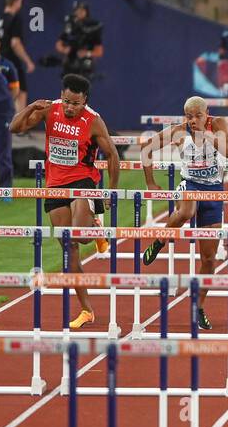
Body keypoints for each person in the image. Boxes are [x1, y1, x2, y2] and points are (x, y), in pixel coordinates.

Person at [9, 74, 155, 329]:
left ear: (84, 100)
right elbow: (15, 127)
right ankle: (87, 310)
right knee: (69, 248)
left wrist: (110, 191)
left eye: (75, 103)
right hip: (55, 185)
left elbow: (112, 156)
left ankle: (93, 229)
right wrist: (32, 106)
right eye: (66, 101)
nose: (69, 108)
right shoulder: (50, 110)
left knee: (79, 236)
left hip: (82, 181)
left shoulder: (94, 121)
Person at [139, 97, 228, 329]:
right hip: (189, 184)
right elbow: (146, 147)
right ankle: (160, 240)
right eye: (188, 116)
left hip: (214, 190)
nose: (192, 120)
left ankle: (198, 307)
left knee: (209, 259)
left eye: (197, 115)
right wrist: (150, 182)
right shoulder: (179, 132)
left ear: (206, 113)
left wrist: (206, 134)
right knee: (187, 210)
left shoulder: (218, 124)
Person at [0, 0, 34, 113]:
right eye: (20, 1)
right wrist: (28, 61)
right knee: (21, 90)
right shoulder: (14, 19)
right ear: (16, 2)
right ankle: (18, 128)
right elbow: (15, 43)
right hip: (10, 59)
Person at [0, 32, 19, 186]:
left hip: (2, 115)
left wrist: (4, 104)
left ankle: (5, 190)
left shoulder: (7, 66)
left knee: (3, 153)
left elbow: (15, 90)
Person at [55, 1, 102, 78]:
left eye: (82, 10)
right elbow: (58, 44)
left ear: (86, 12)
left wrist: (87, 53)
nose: (79, 13)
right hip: (70, 65)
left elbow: (99, 52)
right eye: (77, 10)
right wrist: (64, 50)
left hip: (85, 66)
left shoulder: (93, 29)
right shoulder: (70, 28)